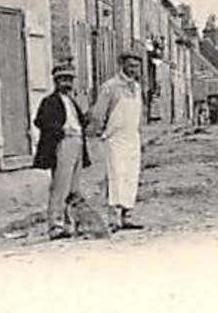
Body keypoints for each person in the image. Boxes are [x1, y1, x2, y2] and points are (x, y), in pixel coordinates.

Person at [34, 61, 91, 239]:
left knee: (74, 187)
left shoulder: (73, 101)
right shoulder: (50, 101)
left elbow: (80, 121)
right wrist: (59, 130)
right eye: (62, 80)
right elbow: (40, 121)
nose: (66, 83)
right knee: (60, 186)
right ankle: (55, 225)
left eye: (69, 80)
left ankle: (69, 223)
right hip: (63, 143)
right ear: (55, 82)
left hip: (78, 142)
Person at [90, 51, 146, 230]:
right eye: (130, 65)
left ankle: (127, 215)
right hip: (115, 138)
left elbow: (138, 114)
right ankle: (113, 218)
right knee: (116, 176)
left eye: (136, 66)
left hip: (132, 137)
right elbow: (99, 113)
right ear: (122, 65)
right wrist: (100, 133)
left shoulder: (137, 88)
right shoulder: (110, 87)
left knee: (131, 175)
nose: (133, 69)